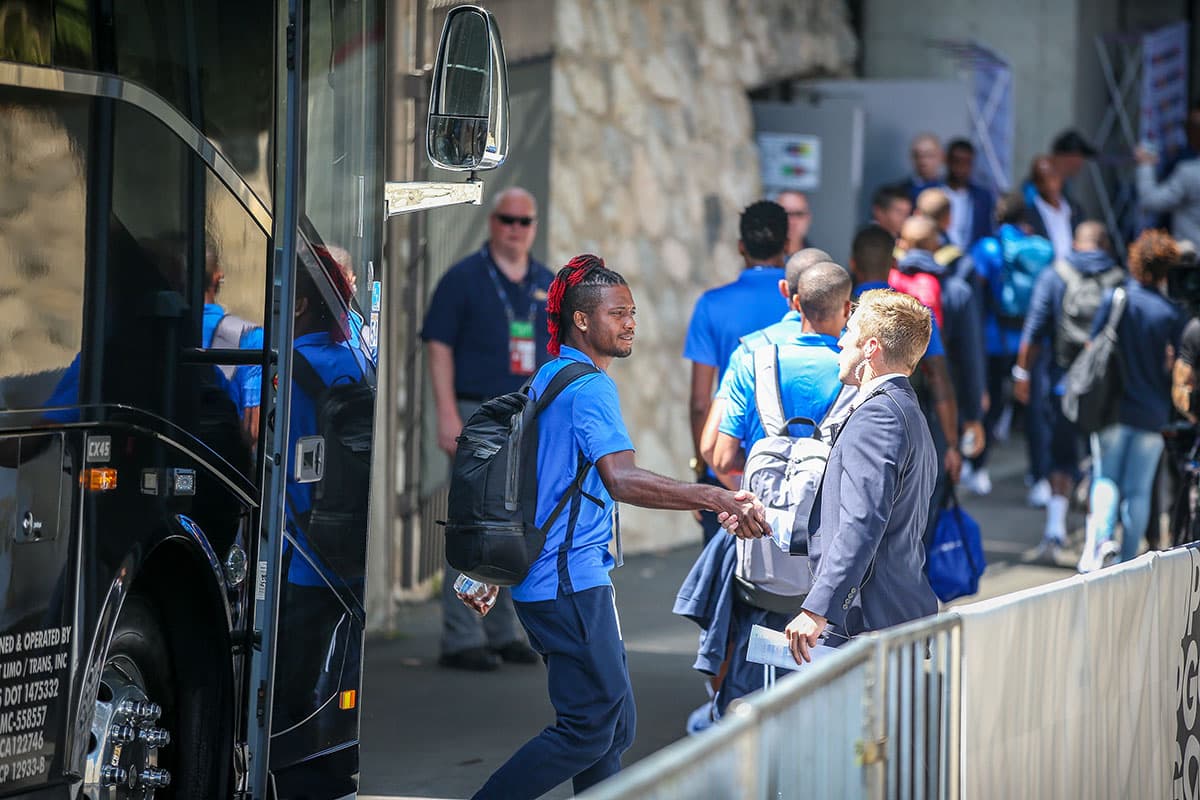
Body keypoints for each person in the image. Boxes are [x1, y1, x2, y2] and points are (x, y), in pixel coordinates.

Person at [470, 255, 768, 800]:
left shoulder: (550, 374)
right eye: (619, 313)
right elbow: (623, 479)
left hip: (555, 581)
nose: (631, 322)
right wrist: (714, 495)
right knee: (590, 728)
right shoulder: (590, 389)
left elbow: (535, 480)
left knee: (612, 726)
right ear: (582, 320)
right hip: (568, 584)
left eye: (632, 312)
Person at [765, 289, 940, 660]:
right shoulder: (905, 410)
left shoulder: (878, 417)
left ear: (871, 348)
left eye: (848, 332)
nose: (841, 342)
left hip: (868, 623)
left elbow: (864, 520)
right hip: (892, 615)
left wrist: (818, 609)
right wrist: (769, 520)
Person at [421, 186, 551, 671]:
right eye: (506, 220)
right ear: (492, 222)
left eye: (525, 221)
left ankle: (504, 631)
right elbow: (438, 346)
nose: (515, 229)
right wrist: (446, 414)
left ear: (534, 227)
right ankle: (460, 637)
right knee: (471, 521)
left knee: (516, 524)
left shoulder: (545, 281)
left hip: (528, 416)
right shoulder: (465, 277)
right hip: (476, 413)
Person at [1013, 221, 1123, 561]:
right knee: (1099, 461)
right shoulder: (1119, 279)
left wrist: (1022, 372)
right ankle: (1094, 540)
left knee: (1061, 455)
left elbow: (1035, 325)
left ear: (1076, 242)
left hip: (1062, 381)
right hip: (1106, 385)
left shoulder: (1055, 274)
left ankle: (1055, 532)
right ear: (1104, 244)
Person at [1078, 230, 1186, 570]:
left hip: (1110, 406)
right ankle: (1127, 563)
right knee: (1139, 491)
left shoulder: (1117, 298)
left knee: (1106, 477)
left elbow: (1093, 346)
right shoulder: (1172, 314)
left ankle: (1101, 545)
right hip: (1152, 412)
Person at [684, 201, 791, 542]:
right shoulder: (801, 302)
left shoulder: (711, 305)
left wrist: (705, 474)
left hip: (729, 468)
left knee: (723, 585)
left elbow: (701, 402)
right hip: (794, 469)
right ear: (787, 245)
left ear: (741, 246)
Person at [849, 224, 962, 487]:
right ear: (893, 263)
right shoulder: (911, 312)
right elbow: (938, 377)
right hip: (908, 424)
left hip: (849, 426)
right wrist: (951, 444)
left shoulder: (841, 309)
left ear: (853, 262)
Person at [966, 193, 1056, 497]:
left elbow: (976, 291)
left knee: (990, 404)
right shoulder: (1043, 249)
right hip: (1033, 343)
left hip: (995, 339)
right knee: (1034, 410)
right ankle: (1040, 478)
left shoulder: (988, 247)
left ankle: (978, 468)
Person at [1136, 107, 1200, 248]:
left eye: (1191, 128)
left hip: (1193, 258)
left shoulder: (1189, 172)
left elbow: (1152, 200)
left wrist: (1146, 164)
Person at [943, 138, 996, 249]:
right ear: (947, 161)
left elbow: (987, 232)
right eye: (956, 162)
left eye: (966, 163)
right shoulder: (935, 193)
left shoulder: (983, 197)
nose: (961, 168)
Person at [1026, 155, 1080, 260]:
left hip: (1074, 272)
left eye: (1054, 177)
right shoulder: (1029, 215)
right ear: (1037, 184)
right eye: (1044, 180)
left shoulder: (1075, 209)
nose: (1051, 185)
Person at [898, 133, 945, 202]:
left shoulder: (950, 189)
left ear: (941, 157)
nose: (923, 161)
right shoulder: (901, 192)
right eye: (917, 156)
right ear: (911, 158)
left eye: (929, 155)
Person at [775, 190, 815, 256]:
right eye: (785, 214)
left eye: (799, 214)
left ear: (808, 218)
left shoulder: (819, 262)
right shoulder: (755, 260)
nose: (791, 221)